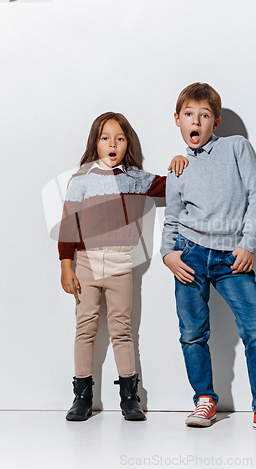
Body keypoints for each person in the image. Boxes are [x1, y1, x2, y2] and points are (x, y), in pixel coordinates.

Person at [161, 82, 256, 433]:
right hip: (189, 254)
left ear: (215, 122)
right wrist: (167, 254)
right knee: (192, 333)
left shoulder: (236, 147)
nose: (195, 120)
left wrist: (246, 244)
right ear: (177, 120)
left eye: (204, 115)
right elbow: (172, 216)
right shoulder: (178, 167)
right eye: (188, 114)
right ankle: (204, 400)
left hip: (232, 257)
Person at [58, 111, 187, 422]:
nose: (112, 144)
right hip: (86, 264)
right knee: (85, 328)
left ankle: (130, 397)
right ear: (96, 143)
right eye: (105, 138)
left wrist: (183, 163)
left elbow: (173, 188)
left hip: (120, 266)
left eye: (119, 138)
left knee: (123, 330)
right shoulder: (81, 180)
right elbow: (68, 226)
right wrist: (66, 265)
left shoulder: (135, 178)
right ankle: (82, 396)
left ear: (127, 143)